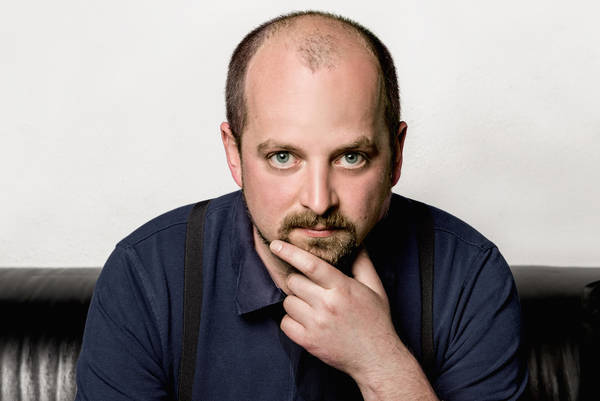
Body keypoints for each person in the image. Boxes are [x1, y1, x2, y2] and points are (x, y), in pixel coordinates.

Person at [75, 10, 527, 401]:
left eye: (351, 157)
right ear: (234, 154)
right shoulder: (147, 275)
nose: (318, 200)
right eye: (283, 157)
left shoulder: (470, 276)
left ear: (396, 154)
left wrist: (380, 363)